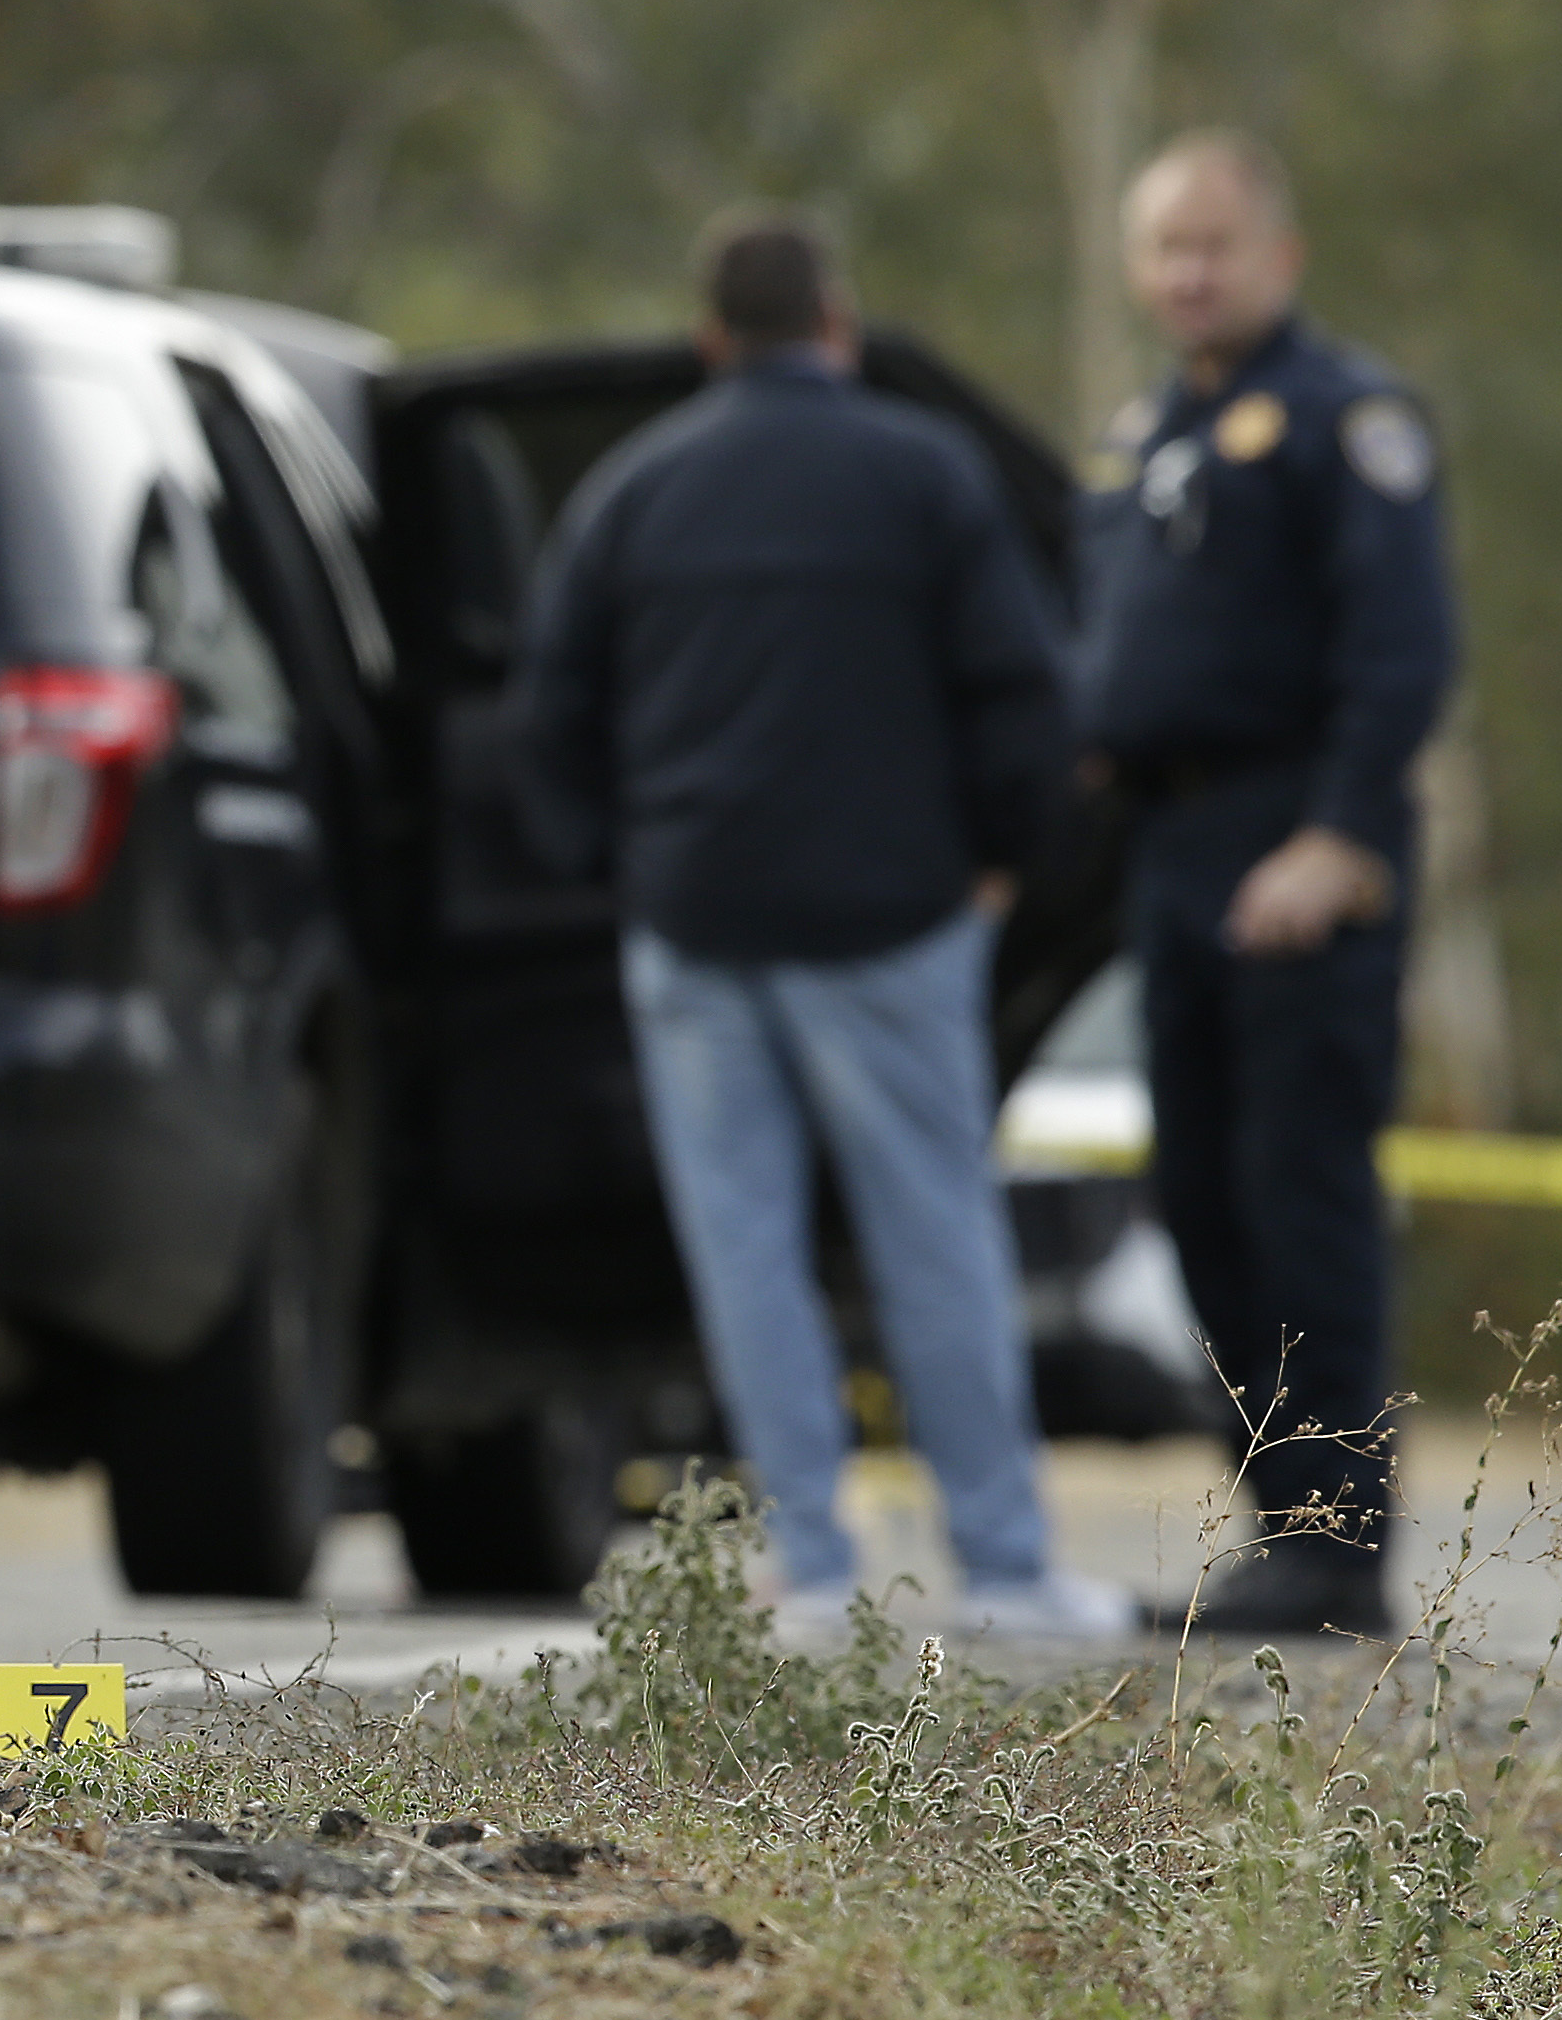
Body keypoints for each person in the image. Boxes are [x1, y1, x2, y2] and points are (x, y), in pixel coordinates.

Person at [520, 209, 1129, 1647]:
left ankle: (805, 1566)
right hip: (891, 922)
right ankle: (1003, 1569)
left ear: (708, 339)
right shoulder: (921, 472)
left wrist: (618, 865)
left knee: (744, 1246)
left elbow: (545, 712)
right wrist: (1006, 859)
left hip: (696, 924)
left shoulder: (632, 490)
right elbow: (1020, 691)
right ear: (837, 326)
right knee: (933, 1235)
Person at [1074, 130, 1458, 1637]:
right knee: (1198, 1196)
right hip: (1167, 851)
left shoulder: (1342, 420)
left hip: (1291, 838)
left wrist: (1338, 837)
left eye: (1213, 244)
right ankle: (1277, 1521)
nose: (1188, 273)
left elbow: (1401, 648)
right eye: (1164, 247)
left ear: (1277, 256)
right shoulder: (1143, 436)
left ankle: (1334, 1543)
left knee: (1298, 1193)